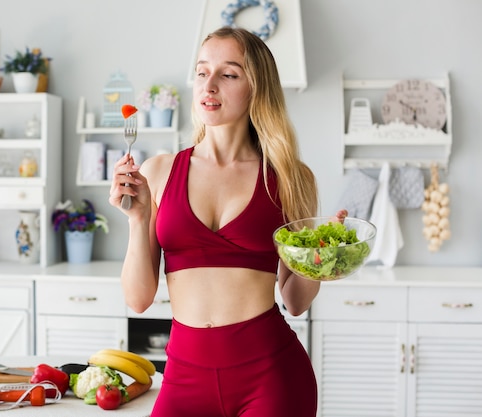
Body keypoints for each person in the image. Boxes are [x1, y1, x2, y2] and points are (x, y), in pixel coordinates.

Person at [109, 26, 345, 417]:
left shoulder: (289, 177)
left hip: (271, 378)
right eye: (202, 72)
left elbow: (295, 299)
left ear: (257, 87)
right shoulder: (160, 170)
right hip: (184, 377)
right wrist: (138, 219)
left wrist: (322, 257)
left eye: (228, 74)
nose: (210, 85)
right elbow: (138, 299)